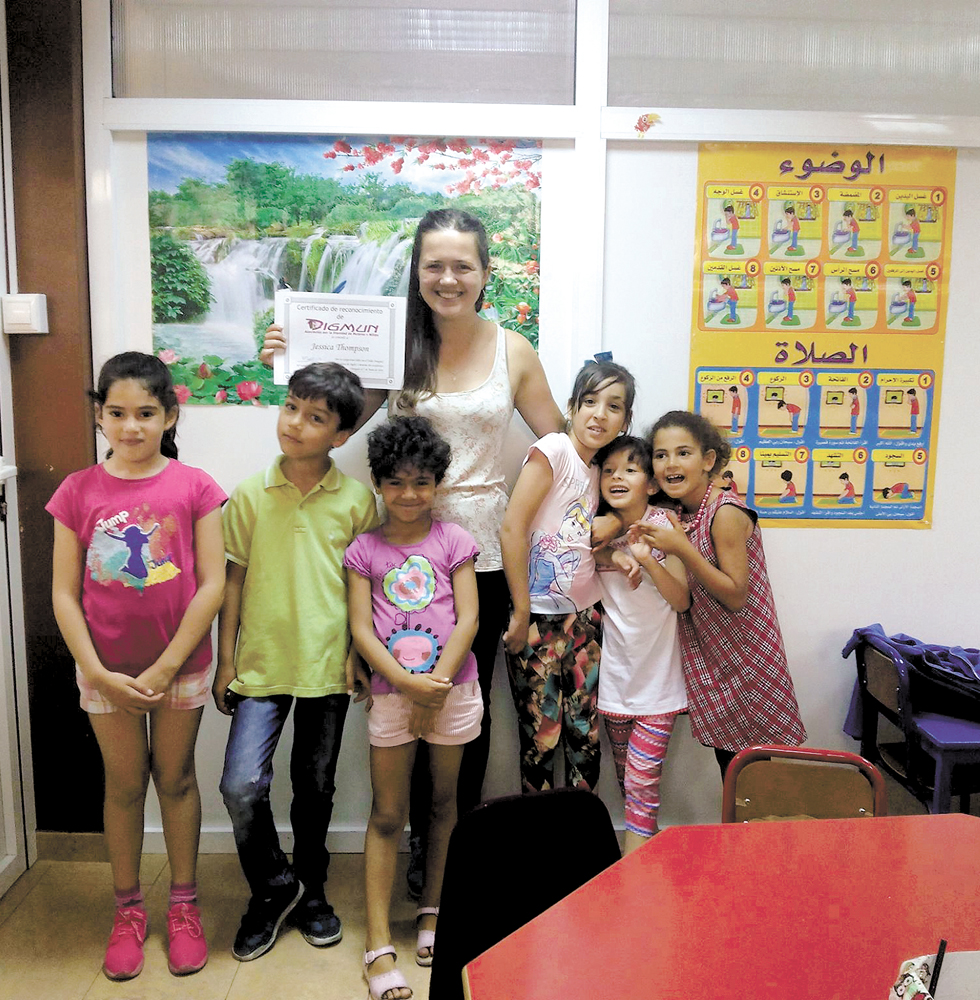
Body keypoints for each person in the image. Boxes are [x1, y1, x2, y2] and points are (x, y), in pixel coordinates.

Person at [262, 208, 566, 895]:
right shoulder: (393, 346)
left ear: (485, 274)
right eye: (434, 265)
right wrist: (286, 361)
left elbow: (560, 446)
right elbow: (335, 423)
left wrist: (615, 512)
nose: (448, 278)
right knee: (401, 699)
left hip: (483, 562)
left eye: (463, 265)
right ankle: (415, 845)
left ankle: (452, 856)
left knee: (467, 708)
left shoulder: (514, 350)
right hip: (399, 562)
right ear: (417, 273)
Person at [47, 352, 226, 981]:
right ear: (100, 415)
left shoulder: (196, 487)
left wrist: (167, 666)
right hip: (105, 671)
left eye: (146, 413)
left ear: (170, 415)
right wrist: (96, 672)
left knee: (175, 781)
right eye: (118, 413)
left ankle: (183, 905)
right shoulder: (76, 492)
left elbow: (211, 584)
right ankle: (127, 911)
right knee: (123, 786)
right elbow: (64, 593)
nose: (131, 426)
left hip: (180, 666)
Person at [214, 362, 378, 962]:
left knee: (315, 789)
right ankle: (274, 887)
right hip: (260, 667)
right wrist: (224, 661)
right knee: (240, 786)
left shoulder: (357, 502)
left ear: (341, 435)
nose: (295, 424)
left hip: (327, 668)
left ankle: (313, 892)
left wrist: (359, 654)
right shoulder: (249, 495)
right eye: (290, 408)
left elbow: (366, 589)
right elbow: (233, 581)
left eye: (315, 417)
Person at [344, 416, 481, 1000]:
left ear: (437, 484)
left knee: (445, 804)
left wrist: (437, 684)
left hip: (453, 690)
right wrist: (407, 685)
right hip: (391, 696)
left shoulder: (454, 541)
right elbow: (361, 629)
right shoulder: (364, 549)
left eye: (421, 482)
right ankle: (377, 942)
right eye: (396, 482)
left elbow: (469, 618)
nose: (408, 494)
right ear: (377, 483)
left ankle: (433, 910)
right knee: (386, 813)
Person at [631, 411, 805, 778]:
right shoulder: (680, 514)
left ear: (708, 460)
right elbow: (682, 598)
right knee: (732, 771)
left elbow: (736, 594)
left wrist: (681, 548)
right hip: (715, 661)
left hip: (748, 662)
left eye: (683, 453)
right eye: (661, 455)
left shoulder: (724, 512)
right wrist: (646, 557)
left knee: (753, 778)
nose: (670, 463)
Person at [500, 360, 635, 793]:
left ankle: (580, 834)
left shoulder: (600, 470)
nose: (599, 414)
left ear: (625, 419)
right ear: (573, 407)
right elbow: (512, 528)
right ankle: (540, 837)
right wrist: (521, 612)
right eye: (590, 401)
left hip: (585, 619)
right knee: (541, 738)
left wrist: (617, 530)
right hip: (537, 619)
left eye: (613, 406)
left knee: (585, 737)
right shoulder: (554, 449)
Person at [593, 435, 689, 851]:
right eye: (609, 471)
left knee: (641, 784)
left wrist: (647, 560)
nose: (617, 477)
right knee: (626, 782)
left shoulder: (665, 525)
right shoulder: (596, 527)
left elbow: (682, 600)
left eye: (630, 470)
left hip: (659, 686)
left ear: (651, 484)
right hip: (615, 685)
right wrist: (613, 555)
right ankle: (639, 863)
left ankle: (637, 877)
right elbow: (573, 552)